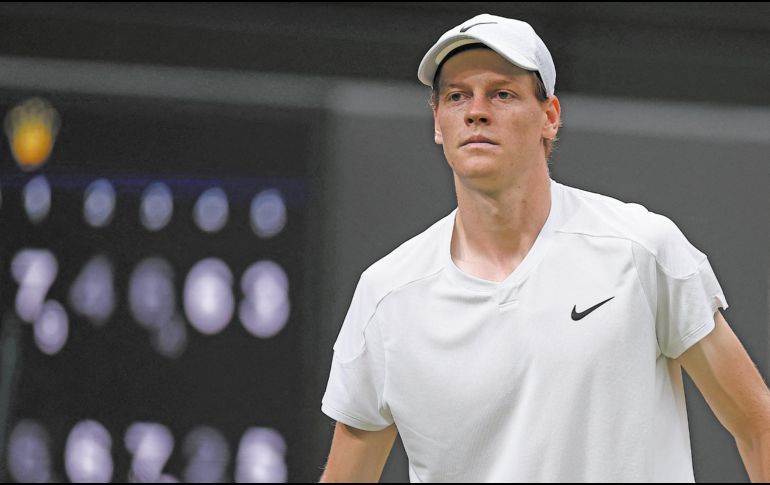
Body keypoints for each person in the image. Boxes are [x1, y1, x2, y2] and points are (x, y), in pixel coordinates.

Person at [319, 13, 770, 482]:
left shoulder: (641, 249)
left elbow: (758, 426)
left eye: (502, 93)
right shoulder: (387, 296)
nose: (476, 110)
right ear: (438, 121)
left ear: (549, 117)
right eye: (456, 96)